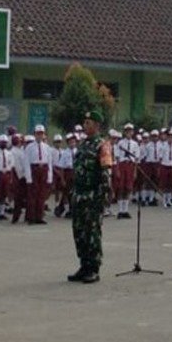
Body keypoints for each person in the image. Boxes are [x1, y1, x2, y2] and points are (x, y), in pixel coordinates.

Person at [68, 108, 112, 283]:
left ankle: (94, 268)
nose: (85, 126)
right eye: (84, 123)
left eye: (88, 123)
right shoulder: (83, 144)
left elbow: (106, 173)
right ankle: (83, 265)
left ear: (97, 125)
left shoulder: (103, 145)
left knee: (92, 232)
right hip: (79, 194)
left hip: (93, 195)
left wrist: (102, 196)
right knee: (78, 231)